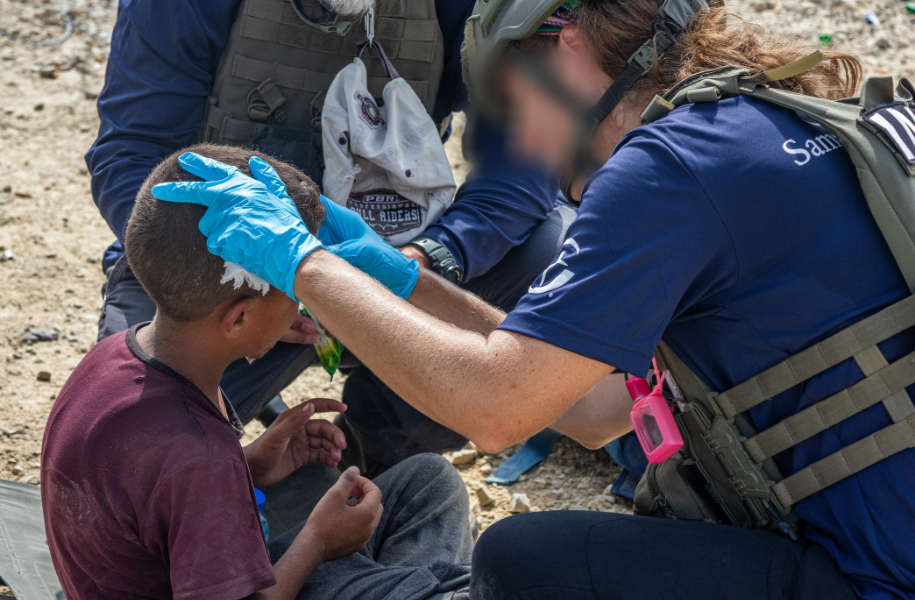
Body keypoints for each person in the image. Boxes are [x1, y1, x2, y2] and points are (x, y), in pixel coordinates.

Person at [151, 0, 915, 598]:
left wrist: (304, 263)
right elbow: (593, 411)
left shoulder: (666, 169)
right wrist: (403, 279)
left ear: (568, 51)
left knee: (523, 563)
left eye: (515, 107)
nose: (523, 144)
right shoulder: (759, 119)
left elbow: (497, 412)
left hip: (873, 576)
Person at [85, 0, 575, 473]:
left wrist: (424, 259)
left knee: (543, 247)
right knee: (135, 439)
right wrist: (265, 280)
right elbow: (130, 155)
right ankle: (226, 473)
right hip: (233, 271)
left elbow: (525, 159)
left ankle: (374, 461)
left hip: (387, 258)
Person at [41, 145, 472, 600]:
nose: (306, 304)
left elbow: (150, 495)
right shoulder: (200, 456)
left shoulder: (114, 356)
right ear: (240, 318)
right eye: (296, 287)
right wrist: (318, 541)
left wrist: (248, 467)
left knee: (429, 482)